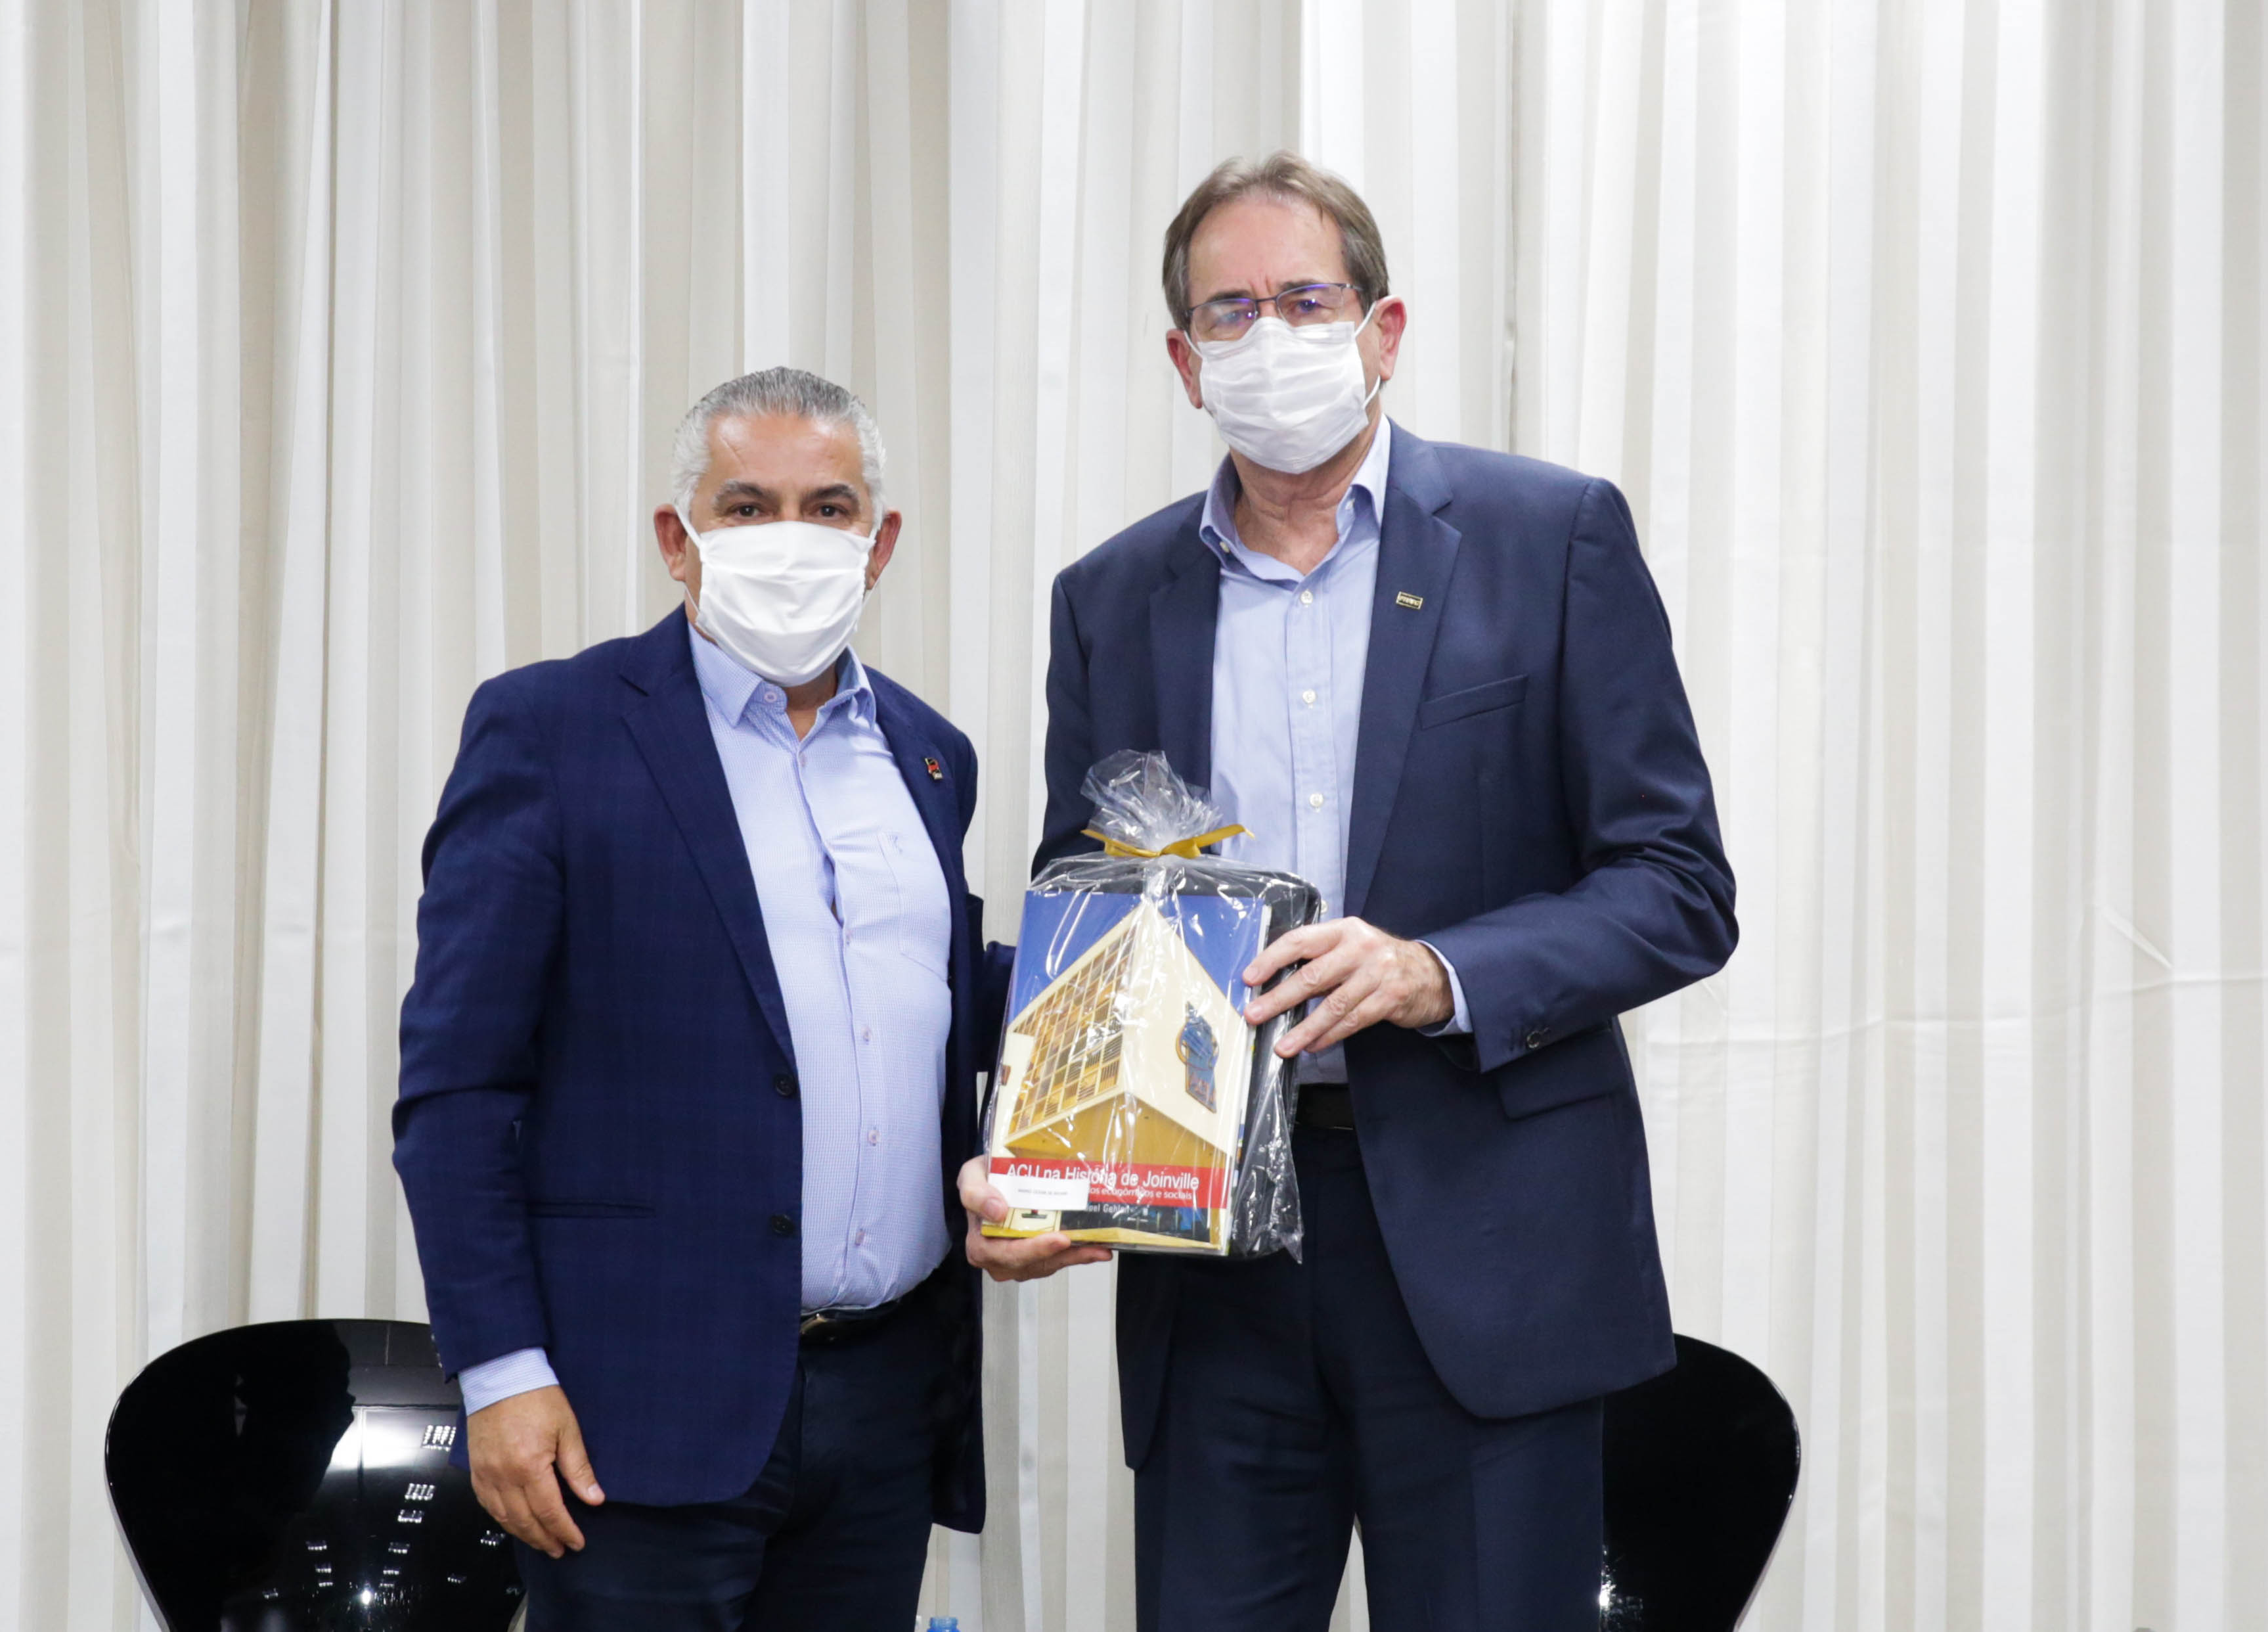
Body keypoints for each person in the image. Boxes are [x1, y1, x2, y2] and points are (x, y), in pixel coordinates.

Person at [960, 152, 1737, 1631]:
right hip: (1212, 1267)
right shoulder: (1109, 598)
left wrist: (1438, 973)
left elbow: (1677, 884)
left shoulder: (1549, 537)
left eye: (1306, 300)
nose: (1270, 336)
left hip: (1489, 1250)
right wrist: (1044, 1166)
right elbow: (1092, 930)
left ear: (1383, 331)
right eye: (1231, 311)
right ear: (1185, 362)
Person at [397, 367, 997, 1631]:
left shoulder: (931, 755)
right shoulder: (551, 729)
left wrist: (1148, 977)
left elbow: (941, 1006)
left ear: (880, 542)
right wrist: (499, 1371)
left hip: (886, 1402)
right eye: (747, 506)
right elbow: (459, 1085)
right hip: (632, 1408)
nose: (792, 537)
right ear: (679, 540)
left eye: (827, 508)